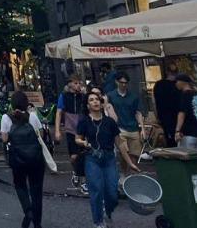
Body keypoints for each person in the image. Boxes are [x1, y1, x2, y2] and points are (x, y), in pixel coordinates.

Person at [1, 91, 46, 228]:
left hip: (18, 158)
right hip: (35, 158)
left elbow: (4, 139)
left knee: (20, 185)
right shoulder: (32, 116)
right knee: (36, 190)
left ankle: (28, 210)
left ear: (12, 104)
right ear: (26, 104)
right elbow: (41, 135)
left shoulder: (6, 118)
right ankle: (37, 223)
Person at [76, 90, 120, 228]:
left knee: (112, 192)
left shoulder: (109, 122)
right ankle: (98, 222)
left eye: (97, 99)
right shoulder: (84, 121)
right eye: (91, 100)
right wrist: (83, 142)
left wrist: (130, 162)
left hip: (109, 158)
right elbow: (77, 138)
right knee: (96, 190)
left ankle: (108, 211)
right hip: (92, 158)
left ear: (101, 104)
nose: (95, 101)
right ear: (88, 105)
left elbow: (119, 143)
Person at [106, 72, 145, 175]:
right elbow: (109, 111)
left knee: (134, 154)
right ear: (116, 82)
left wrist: (142, 128)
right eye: (121, 82)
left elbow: (138, 112)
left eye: (125, 83)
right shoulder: (111, 95)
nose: (123, 85)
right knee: (124, 153)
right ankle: (124, 173)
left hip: (133, 127)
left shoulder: (134, 96)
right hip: (120, 128)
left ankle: (132, 175)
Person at [56, 76, 88, 194]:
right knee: (74, 156)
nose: (78, 85)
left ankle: (84, 181)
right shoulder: (64, 96)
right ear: (69, 84)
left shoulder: (83, 96)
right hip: (70, 128)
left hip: (82, 128)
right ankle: (76, 171)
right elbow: (59, 112)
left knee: (83, 154)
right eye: (75, 83)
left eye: (79, 83)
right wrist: (57, 130)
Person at [174, 74, 197, 151]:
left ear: (183, 82)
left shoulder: (184, 95)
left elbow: (181, 114)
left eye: (177, 81)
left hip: (188, 134)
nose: (175, 83)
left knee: (187, 156)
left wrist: (177, 131)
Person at [154, 64, 180, 147]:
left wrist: (157, 116)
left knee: (170, 143)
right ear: (177, 72)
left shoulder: (159, 84)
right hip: (178, 118)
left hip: (164, 118)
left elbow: (154, 102)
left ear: (167, 72)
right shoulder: (179, 85)